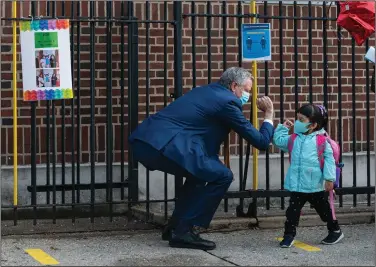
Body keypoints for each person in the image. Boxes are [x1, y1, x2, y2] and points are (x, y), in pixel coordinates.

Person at [129, 67, 275, 250]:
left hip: (146, 142)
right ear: (233, 86)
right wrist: (268, 116)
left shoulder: (207, 91)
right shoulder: (228, 102)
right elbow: (261, 142)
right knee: (223, 176)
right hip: (165, 145)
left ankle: (175, 228)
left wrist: (211, 159)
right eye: (246, 90)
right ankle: (186, 230)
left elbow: (200, 131)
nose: (248, 95)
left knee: (199, 176)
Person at [273, 103, 344, 248]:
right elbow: (278, 141)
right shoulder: (293, 138)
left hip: (315, 185)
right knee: (292, 212)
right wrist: (283, 128)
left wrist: (330, 179)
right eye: (297, 118)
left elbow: (330, 160)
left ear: (312, 125)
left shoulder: (321, 141)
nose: (297, 122)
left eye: (301, 120)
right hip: (298, 185)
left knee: (324, 211)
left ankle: (335, 230)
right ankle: (289, 235)